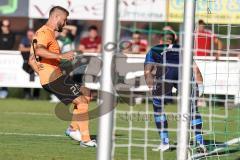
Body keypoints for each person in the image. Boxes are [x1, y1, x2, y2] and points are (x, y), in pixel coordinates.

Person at [28, 6, 96, 147]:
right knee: (82, 102)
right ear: (56, 17)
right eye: (64, 20)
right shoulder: (45, 32)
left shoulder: (45, 32)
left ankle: (73, 129)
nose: (65, 24)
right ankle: (85, 140)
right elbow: (39, 51)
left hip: (54, 76)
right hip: (52, 78)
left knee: (86, 93)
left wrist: (41, 73)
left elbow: (31, 60)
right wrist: (61, 56)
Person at [144, 31, 206, 152]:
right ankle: (200, 142)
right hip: (184, 74)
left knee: (158, 108)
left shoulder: (155, 49)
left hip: (166, 73)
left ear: (161, 41)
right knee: (193, 109)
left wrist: (150, 86)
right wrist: (201, 85)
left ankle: (165, 142)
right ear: (174, 40)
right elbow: (196, 69)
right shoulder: (183, 49)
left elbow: (148, 70)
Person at [194, 19, 223, 106]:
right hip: (195, 59)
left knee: (207, 79)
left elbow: (219, 42)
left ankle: (204, 98)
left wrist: (218, 53)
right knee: (197, 77)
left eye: (202, 25)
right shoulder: (193, 33)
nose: (201, 26)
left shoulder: (209, 33)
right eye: (199, 25)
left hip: (207, 60)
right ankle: (199, 98)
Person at [19, 29, 40, 99]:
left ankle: (36, 96)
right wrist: (32, 49)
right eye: (28, 35)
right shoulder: (24, 39)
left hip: (37, 63)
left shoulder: (38, 40)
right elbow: (21, 49)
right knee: (25, 78)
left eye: (31, 35)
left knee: (38, 80)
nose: (29, 37)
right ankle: (27, 94)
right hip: (27, 63)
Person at [0, 19, 15, 99]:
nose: (6, 27)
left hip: (6, 59)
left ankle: (3, 92)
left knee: (4, 74)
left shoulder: (12, 35)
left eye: (7, 26)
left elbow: (9, 46)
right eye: (4, 25)